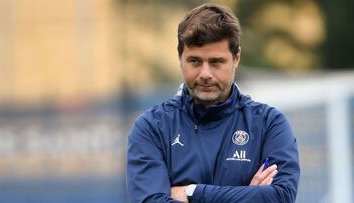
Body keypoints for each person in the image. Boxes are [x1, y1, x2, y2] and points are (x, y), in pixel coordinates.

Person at [126, 3, 300, 203]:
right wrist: (247, 195)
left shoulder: (269, 124)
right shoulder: (152, 127)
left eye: (216, 62)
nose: (205, 74)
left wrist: (192, 192)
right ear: (179, 58)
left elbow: (280, 197)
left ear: (236, 58)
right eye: (195, 61)